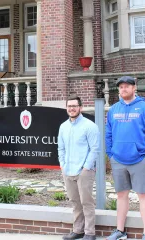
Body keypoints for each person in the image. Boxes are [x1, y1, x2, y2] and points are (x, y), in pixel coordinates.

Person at [105, 76, 145, 240]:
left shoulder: (144, 109)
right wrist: (111, 153)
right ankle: (120, 230)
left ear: (134, 88)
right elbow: (108, 134)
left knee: (142, 195)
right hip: (118, 160)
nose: (123, 89)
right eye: (121, 87)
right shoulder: (114, 109)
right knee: (121, 195)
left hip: (139, 159)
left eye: (127, 86)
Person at [58, 95, 100, 240]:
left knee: (86, 202)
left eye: (74, 106)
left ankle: (89, 233)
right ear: (66, 108)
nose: (71, 108)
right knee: (75, 202)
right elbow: (61, 149)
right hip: (68, 170)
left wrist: (86, 168)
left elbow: (95, 149)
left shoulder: (90, 126)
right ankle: (78, 230)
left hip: (84, 172)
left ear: (80, 108)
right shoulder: (63, 126)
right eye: (69, 106)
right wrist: (62, 165)